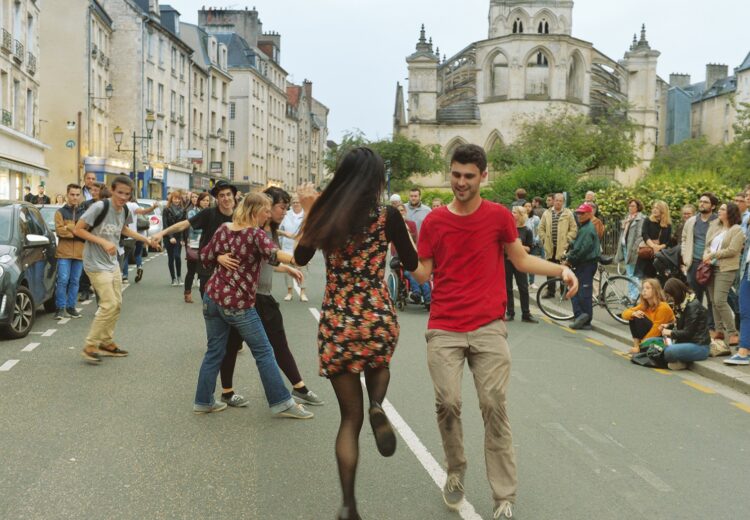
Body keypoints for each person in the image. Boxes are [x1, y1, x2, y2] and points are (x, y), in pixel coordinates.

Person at [411, 144, 578, 520]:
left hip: (488, 326)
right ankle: (455, 471)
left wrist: (561, 269)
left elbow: (520, 260)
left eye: (469, 176)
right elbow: (423, 272)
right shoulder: (435, 221)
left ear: (483, 177)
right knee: (448, 403)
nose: (461, 183)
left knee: (493, 406)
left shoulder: (499, 217)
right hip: (444, 327)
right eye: (456, 175)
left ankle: (504, 497)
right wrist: (400, 252)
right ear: (449, 173)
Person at [294, 147, 420, 520]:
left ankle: (349, 505)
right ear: (377, 181)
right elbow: (410, 263)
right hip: (376, 314)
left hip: (338, 320)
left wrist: (310, 210)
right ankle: (379, 403)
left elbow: (300, 259)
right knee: (379, 363)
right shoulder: (388, 216)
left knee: (349, 420)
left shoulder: (325, 215)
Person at [195, 192, 314, 420]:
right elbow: (275, 254)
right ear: (254, 211)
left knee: (214, 351)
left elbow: (205, 255)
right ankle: (281, 402)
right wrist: (297, 259)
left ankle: (203, 401)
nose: (268, 215)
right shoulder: (254, 234)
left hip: (213, 298)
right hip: (238, 304)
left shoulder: (224, 228)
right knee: (264, 351)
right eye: (266, 210)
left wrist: (218, 257)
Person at [224, 186, 324, 406]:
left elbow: (267, 260)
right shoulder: (253, 231)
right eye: (281, 207)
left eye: (286, 208)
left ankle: (295, 388)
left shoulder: (270, 232)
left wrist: (286, 268)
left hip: (259, 295)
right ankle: (232, 392)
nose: (283, 212)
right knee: (247, 345)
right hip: (250, 296)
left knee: (268, 344)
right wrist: (292, 262)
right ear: (265, 207)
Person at [154, 180, 250, 407]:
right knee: (218, 339)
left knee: (232, 340)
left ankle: (224, 391)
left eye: (228, 194)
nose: (225, 198)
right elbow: (184, 224)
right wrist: (162, 233)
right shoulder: (209, 214)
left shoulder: (241, 216)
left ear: (235, 196)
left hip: (236, 276)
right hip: (210, 272)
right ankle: (211, 396)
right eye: (221, 195)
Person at [73, 176, 160, 364]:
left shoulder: (125, 209)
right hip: (95, 263)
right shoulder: (99, 207)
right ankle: (90, 346)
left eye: (127, 194)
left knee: (117, 304)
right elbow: (78, 230)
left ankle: (106, 342)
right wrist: (103, 241)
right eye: (119, 193)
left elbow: (124, 230)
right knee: (109, 304)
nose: (123, 197)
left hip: (112, 263)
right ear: (112, 190)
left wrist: (147, 240)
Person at [703, 202, 745, 346]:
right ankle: (719, 331)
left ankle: (733, 333)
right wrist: (706, 255)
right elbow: (708, 245)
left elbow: (733, 250)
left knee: (720, 300)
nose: (719, 211)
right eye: (719, 208)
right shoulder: (717, 228)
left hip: (726, 269)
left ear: (730, 213)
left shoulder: (737, 229)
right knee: (714, 301)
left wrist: (712, 255)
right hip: (710, 268)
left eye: (722, 209)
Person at [682, 192, 718, 327]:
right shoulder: (692, 221)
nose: (702, 204)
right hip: (693, 263)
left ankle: (711, 326)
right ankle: (696, 324)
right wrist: (685, 257)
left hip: (710, 264)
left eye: (706, 202)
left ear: (713, 206)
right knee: (695, 297)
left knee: (711, 298)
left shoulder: (718, 221)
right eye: (701, 201)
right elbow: (684, 238)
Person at [660, 278, 711, 370]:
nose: (669, 299)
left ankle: (680, 361)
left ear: (676, 293)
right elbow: (681, 324)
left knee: (669, 351)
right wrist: (668, 326)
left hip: (699, 346)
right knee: (654, 342)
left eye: (670, 296)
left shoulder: (692, 306)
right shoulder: (681, 303)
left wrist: (670, 333)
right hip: (685, 343)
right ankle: (680, 361)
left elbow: (688, 332)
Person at [565, 203, 601, 330]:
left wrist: (569, 259)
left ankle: (584, 319)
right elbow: (581, 246)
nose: (579, 215)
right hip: (584, 263)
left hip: (586, 264)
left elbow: (582, 250)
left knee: (583, 292)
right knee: (580, 290)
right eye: (578, 213)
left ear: (590, 214)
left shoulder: (587, 228)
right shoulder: (585, 227)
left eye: (582, 213)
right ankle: (581, 318)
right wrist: (572, 243)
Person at [53, 184, 85, 320]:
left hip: (79, 253)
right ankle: (60, 308)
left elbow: (86, 232)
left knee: (75, 281)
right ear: (67, 195)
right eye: (72, 194)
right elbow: (60, 231)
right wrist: (76, 231)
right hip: (64, 253)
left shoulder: (84, 213)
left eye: (77, 195)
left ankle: (71, 307)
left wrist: (70, 229)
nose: (75, 197)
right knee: (63, 280)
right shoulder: (60, 212)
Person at [538, 193, 578, 298]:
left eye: (560, 201)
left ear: (563, 202)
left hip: (563, 247)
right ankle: (550, 291)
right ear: (553, 201)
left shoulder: (568, 213)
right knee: (550, 270)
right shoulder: (546, 213)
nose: (558, 202)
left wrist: (567, 239)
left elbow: (574, 229)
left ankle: (563, 291)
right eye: (556, 200)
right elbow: (541, 228)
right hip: (550, 246)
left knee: (563, 269)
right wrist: (543, 239)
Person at [622, 278, 675, 355]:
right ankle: (636, 346)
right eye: (643, 288)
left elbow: (656, 331)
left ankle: (638, 349)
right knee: (634, 315)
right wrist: (633, 314)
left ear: (655, 291)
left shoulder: (663, 307)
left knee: (639, 316)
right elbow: (624, 314)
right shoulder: (644, 306)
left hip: (664, 339)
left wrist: (641, 347)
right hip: (651, 337)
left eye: (647, 288)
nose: (644, 290)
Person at [505, 206, 537, 323]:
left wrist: (519, 246)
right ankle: (510, 312)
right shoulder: (507, 228)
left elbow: (530, 248)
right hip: (507, 260)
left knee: (523, 287)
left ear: (520, 215)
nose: (511, 214)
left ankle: (526, 314)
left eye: (514, 212)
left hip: (520, 261)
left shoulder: (527, 230)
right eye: (511, 211)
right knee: (507, 287)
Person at [398, 204, 430, 308]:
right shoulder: (394, 225)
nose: (401, 213)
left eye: (402, 210)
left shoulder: (411, 225)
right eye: (399, 211)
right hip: (402, 261)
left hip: (413, 258)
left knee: (422, 275)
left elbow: (416, 240)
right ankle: (417, 293)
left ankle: (428, 298)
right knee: (411, 274)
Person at [726, 227, 750, 365]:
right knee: (745, 311)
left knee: (746, 311)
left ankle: (743, 351)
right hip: (746, 268)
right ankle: (745, 350)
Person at [122, 195, 158, 284]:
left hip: (125, 236)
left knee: (125, 257)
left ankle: (125, 276)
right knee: (138, 254)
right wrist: (153, 207)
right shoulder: (134, 205)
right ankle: (139, 267)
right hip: (137, 235)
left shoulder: (121, 205)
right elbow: (143, 212)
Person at [279, 195, 308, 302]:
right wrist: (284, 233)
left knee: (303, 270)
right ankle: (289, 292)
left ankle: (303, 293)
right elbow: (279, 229)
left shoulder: (306, 215)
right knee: (288, 271)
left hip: (301, 247)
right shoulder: (286, 214)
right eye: (294, 202)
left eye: (298, 202)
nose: (296, 204)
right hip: (287, 247)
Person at [614, 198, 646, 297]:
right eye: (629, 205)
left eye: (633, 206)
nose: (630, 208)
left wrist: (634, 248)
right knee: (629, 273)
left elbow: (640, 235)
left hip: (633, 249)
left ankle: (634, 296)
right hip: (625, 248)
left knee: (633, 273)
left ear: (638, 207)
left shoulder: (641, 218)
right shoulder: (628, 218)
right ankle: (632, 294)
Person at [184, 192, 211, 303]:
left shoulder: (211, 213)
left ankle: (206, 295)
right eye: (204, 200)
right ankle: (187, 292)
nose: (206, 202)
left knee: (205, 272)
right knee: (191, 271)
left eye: (208, 200)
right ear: (199, 201)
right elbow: (194, 227)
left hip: (206, 247)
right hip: (194, 244)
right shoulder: (192, 212)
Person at [636, 200, 671, 279]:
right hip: (647, 253)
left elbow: (669, 241)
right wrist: (653, 246)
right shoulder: (648, 220)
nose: (654, 210)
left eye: (657, 208)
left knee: (658, 281)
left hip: (660, 256)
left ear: (663, 210)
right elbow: (644, 234)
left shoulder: (668, 224)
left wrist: (660, 247)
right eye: (654, 208)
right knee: (646, 281)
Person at [162, 190, 187, 286]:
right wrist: (170, 237)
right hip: (168, 236)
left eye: (178, 199)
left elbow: (184, 226)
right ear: (171, 199)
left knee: (177, 256)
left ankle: (179, 277)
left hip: (178, 236)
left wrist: (183, 239)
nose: (176, 200)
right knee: (171, 258)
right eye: (175, 198)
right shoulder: (166, 209)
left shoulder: (183, 210)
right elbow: (165, 225)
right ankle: (173, 278)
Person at [524, 201, 542, 290]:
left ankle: (532, 282)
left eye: (529, 206)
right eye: (526, 206)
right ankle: (524, 282)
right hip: (524, 245)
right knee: (523, 263)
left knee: (532, 263)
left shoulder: (536, 218)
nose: (527, 208)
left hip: (533, 244)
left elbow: (539, 230)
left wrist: (537, 239)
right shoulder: (521, 218)